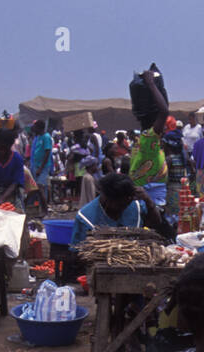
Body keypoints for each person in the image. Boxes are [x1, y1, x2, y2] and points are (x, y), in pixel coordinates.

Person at [69, 172, 164, 249]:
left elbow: (156, 224)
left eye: (128, 203)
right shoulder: (85, 218)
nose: (124, 208)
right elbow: (76, 252)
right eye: (121, 205)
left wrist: (148, 201)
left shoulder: (135, 205)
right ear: (107, 199)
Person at [128, 72, 170, 211]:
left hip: (149, 196)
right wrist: (151, 84)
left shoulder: (141, 140)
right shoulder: (148, 138)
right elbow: (164, 111)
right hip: (150, 200)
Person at [29, 119, 54, 193]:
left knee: (41, 186)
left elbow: (47, 153)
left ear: (39, 128)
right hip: (36, 165)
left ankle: (44, 204)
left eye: (35, 127)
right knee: (35, 187)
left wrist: (40, 168)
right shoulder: (38, 137)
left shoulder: (46, 137)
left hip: (43, 167)